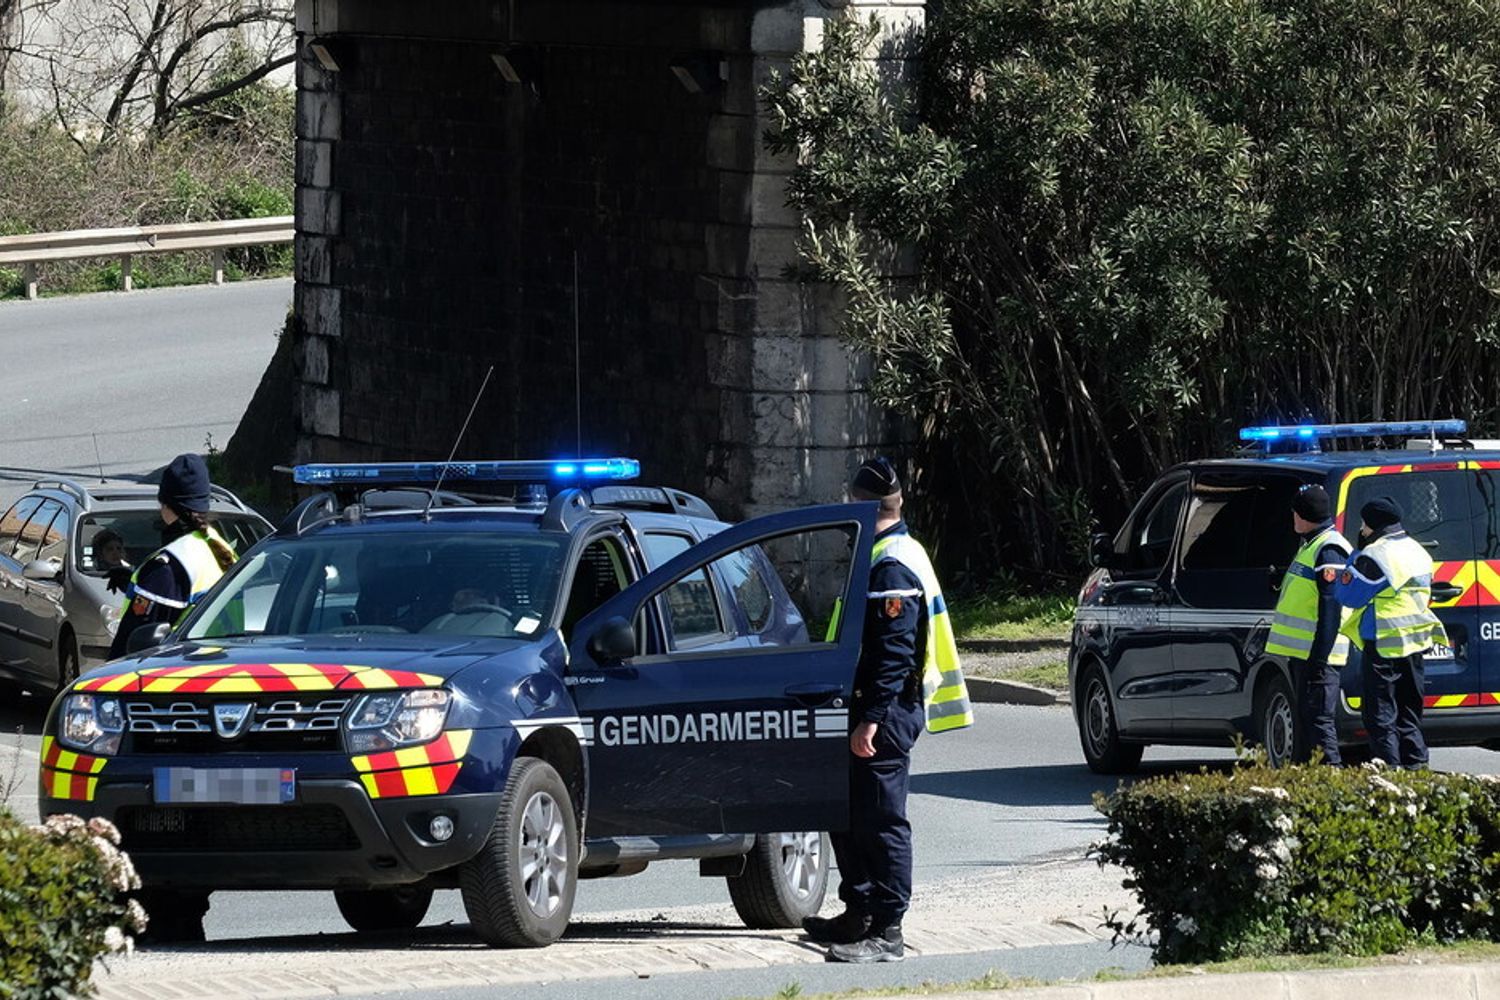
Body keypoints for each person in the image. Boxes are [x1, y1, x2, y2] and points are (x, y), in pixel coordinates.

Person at [806, 456, 974, 964]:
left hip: (885, 712)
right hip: (867, 709)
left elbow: (894, 654)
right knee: (849, 813)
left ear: (863, 505)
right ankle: (858, 912)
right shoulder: (888, 552)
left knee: (881, 820)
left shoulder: (892, 563)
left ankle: (887, 930)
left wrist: (872, 719)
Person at [1334, 496, 1445, 769]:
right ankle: (1416, 769)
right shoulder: (1418, 550)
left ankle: (1389, 773)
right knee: (1409, 713)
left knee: (1380, 714)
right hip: (1415, 643)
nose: (1362, 529)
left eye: (1364, 524)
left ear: (1373, 524)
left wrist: (1355, 558)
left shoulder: (1377, 554)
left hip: (1384, 643)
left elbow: (1348, 595)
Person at [108, 453, 238, 660]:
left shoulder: (170, 565)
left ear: (165, 504)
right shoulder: (220, 548)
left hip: (180, 670)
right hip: (227, 663)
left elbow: (132, 643)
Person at [1265, 485, 1351, 764]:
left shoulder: (1329, 549)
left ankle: (1331, 779)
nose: (1292, 516)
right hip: (1306, 655)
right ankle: (1315, 779)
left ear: (1304, 515)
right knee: (1309, 721)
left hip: (1320, 656)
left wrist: (1318, 658)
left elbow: (1331, 608)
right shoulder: (1312, 545)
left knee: (1320, 721)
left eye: (1295, 511)